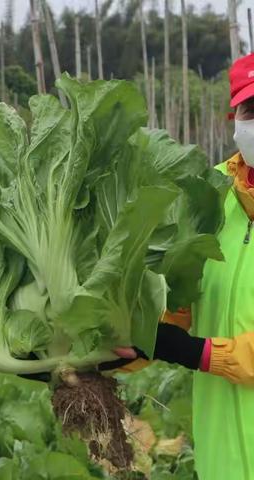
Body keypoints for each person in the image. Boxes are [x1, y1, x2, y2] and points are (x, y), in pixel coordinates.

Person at [115, 53, 254, 480]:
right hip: (222, 458)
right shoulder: (209, 192)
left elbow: (191, 347)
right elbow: (178, 297)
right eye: (253, 110)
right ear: (234, 117)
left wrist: (195, 352)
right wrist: (128, 344)